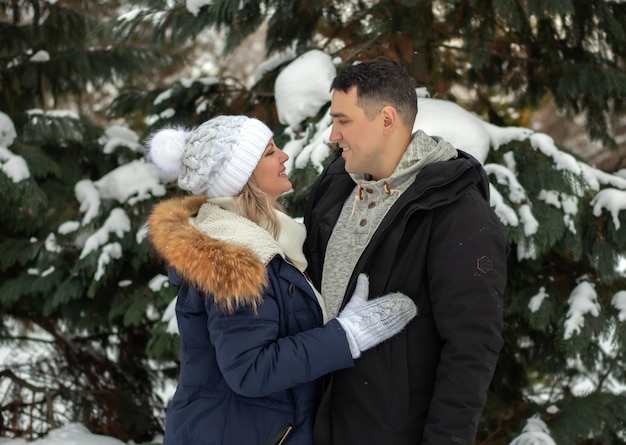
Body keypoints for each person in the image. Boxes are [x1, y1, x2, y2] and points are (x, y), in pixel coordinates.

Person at [145, 115, 417, 445]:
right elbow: (249, 370)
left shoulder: (271, 242)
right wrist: (346, 336)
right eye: (269, 152)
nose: (284, 156)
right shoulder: (235, 258)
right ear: (242, 178)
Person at [303, 57, 510, 444]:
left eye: (343, 121)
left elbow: (470, 350)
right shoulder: (333, 188)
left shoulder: (457, 214)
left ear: (386, 119)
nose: (333, 135)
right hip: (316, 425)